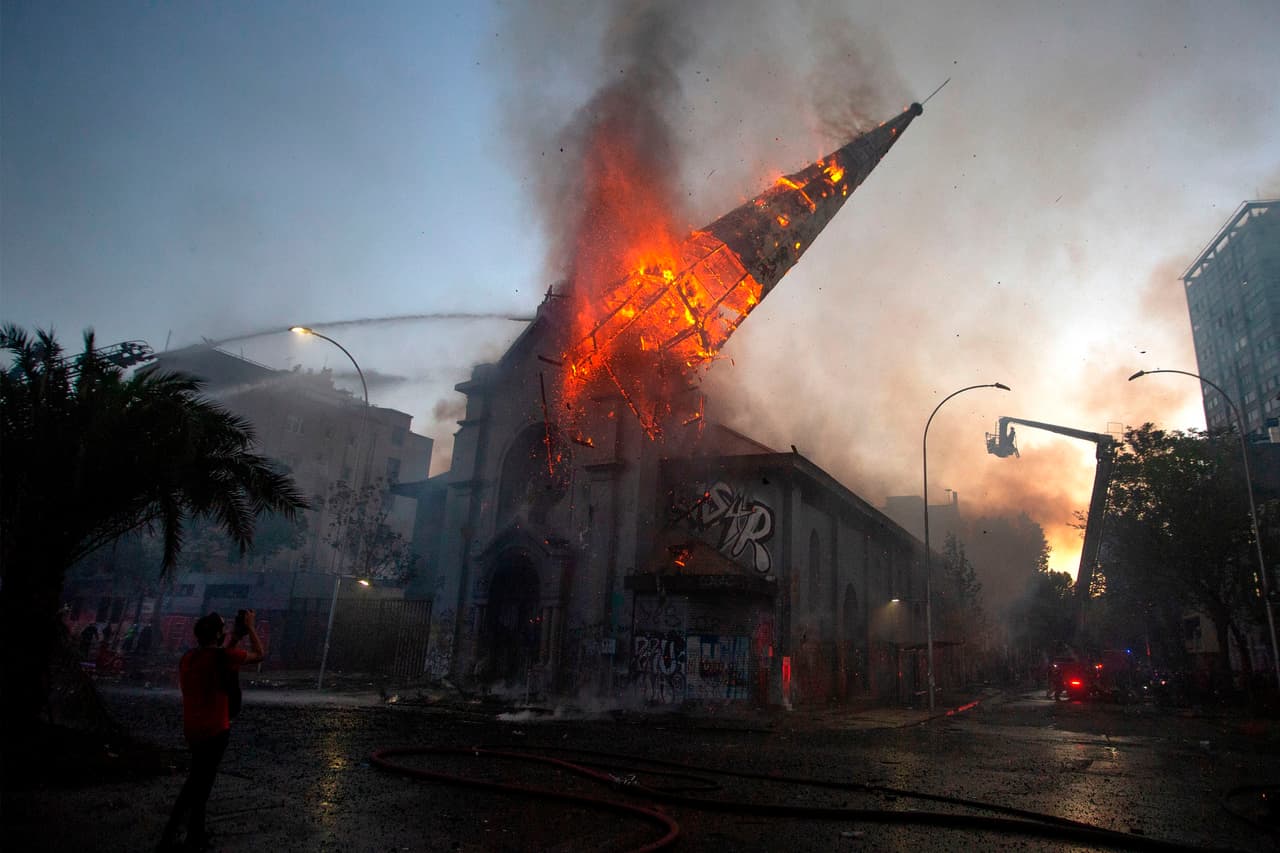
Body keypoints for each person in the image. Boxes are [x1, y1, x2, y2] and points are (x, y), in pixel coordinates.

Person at [159, 610, 263, 851]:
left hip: (192, 729)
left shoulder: (189, 658)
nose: (226, 631)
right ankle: (184, 835)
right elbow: (259, 654)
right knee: (200, 784)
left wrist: (235, 638)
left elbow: (220, 658)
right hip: (216, 729)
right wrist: (251, 627)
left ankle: (191, 833)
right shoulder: (222, 657)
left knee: (198, 779)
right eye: (223, 628)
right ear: (218, 634)